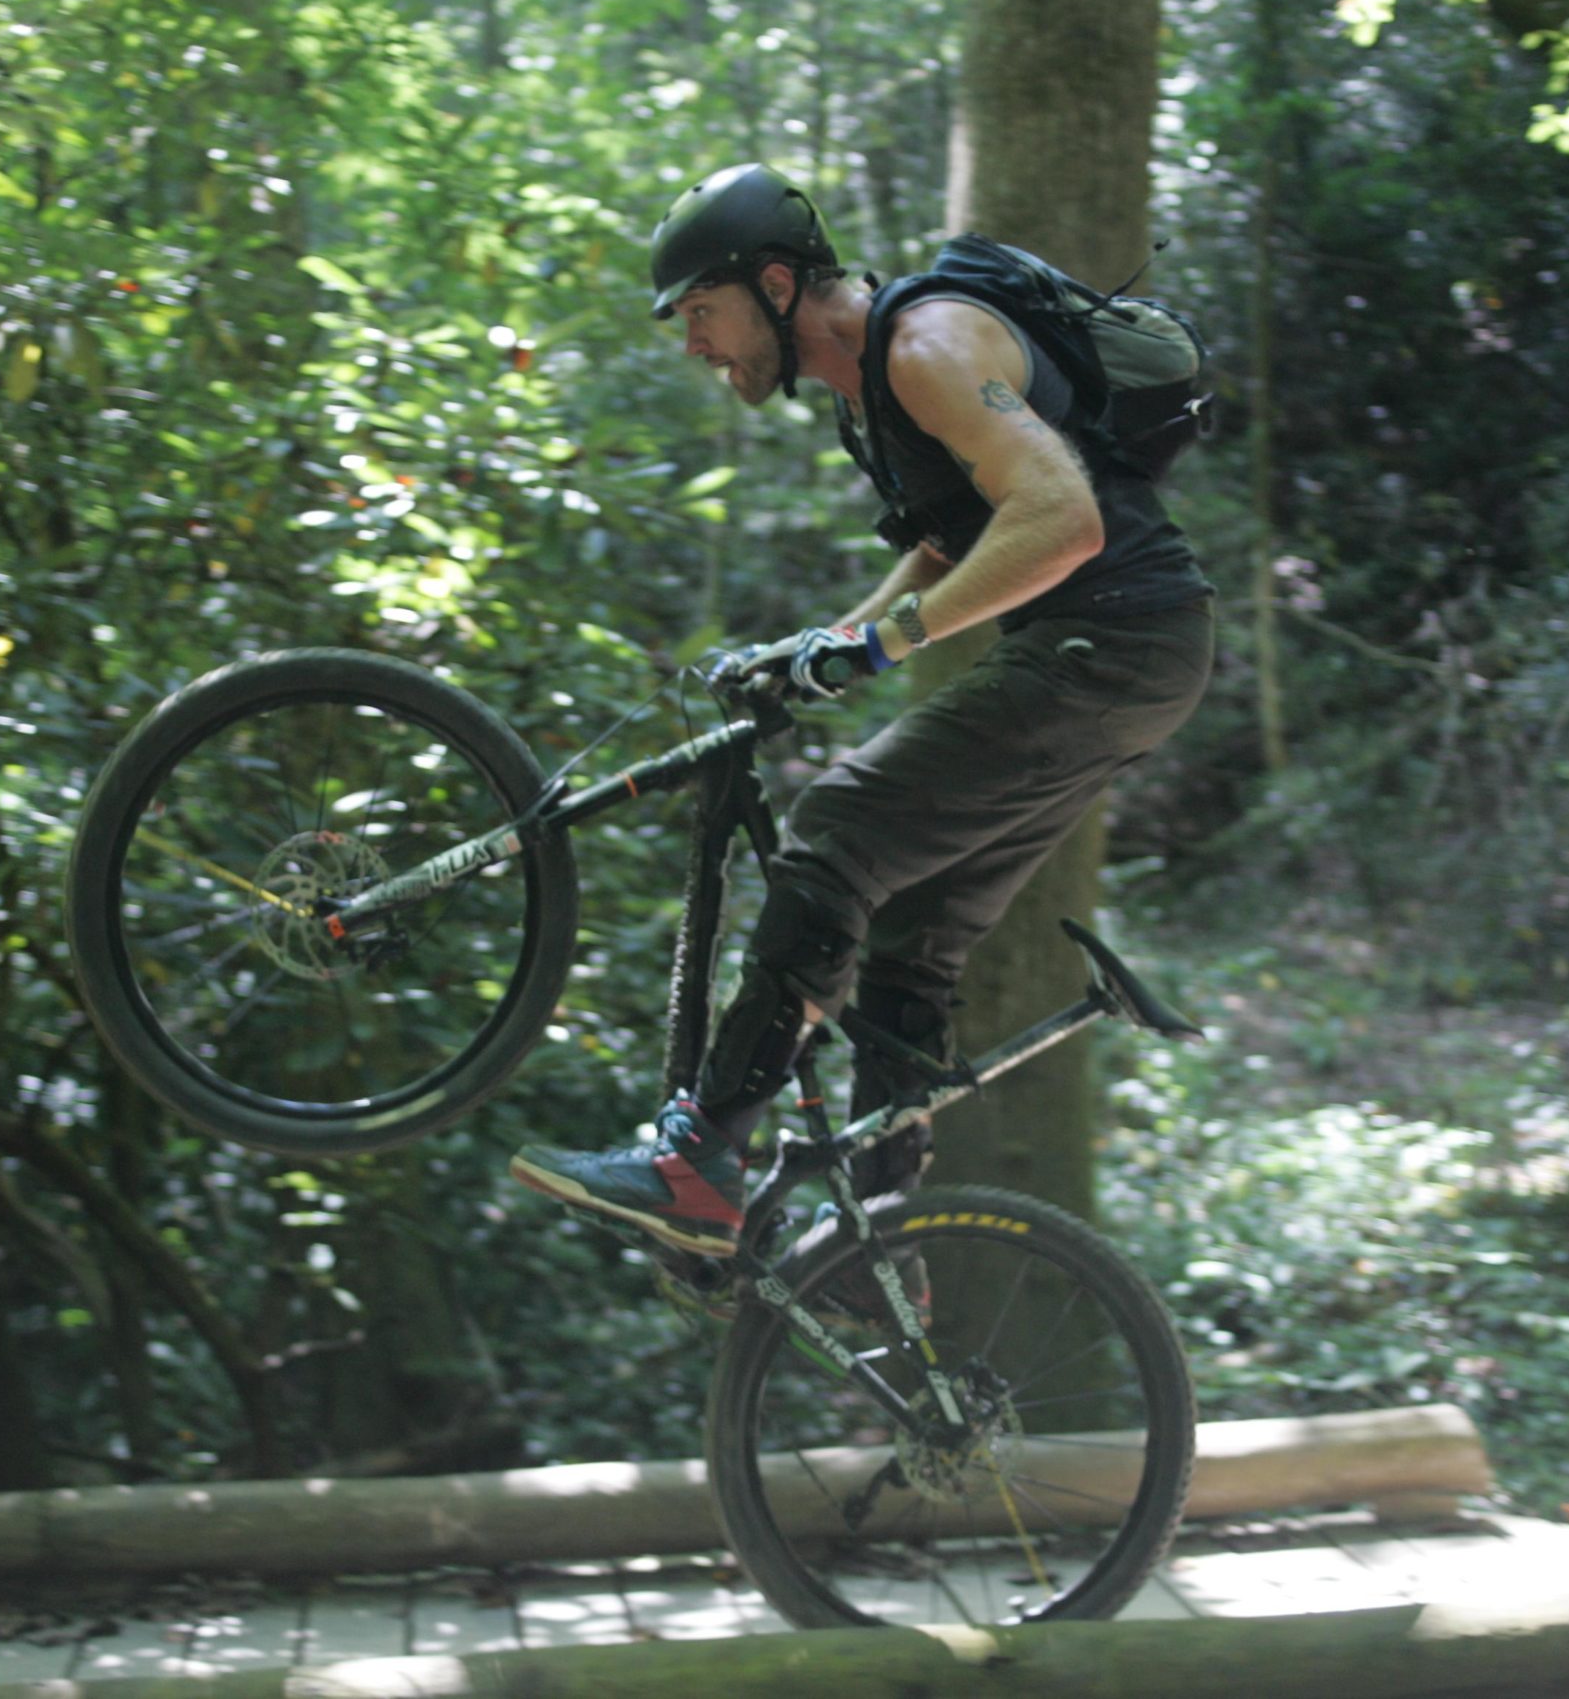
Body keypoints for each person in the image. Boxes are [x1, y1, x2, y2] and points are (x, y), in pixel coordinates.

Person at [508, 161, 1213, 1256]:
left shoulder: (928, 345)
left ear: (775, 284)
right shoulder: (865, 397)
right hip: (1128, 656)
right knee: (912, 933)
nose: (693, 344)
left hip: (1109, 642)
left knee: (838, 828)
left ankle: (699, 1159)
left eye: (700, 310)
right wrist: (822, 645)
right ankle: (882, 1247)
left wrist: (886, 643)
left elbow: (1059, 519)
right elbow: (947, 538)